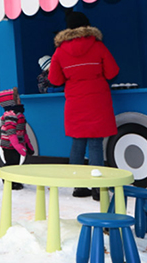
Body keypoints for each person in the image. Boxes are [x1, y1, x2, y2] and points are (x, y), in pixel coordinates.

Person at [48, 11, 119, 200]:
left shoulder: (60, 50)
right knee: (96, 143)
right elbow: (112, 72)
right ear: (87, 27)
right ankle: (98, 188)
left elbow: (54, 79)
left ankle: (78, 186)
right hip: (98, 100)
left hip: (75, 101)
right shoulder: (98, 46)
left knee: (78, 142)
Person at [0, 87, 33, 190]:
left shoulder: (19, 114)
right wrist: (18, 146)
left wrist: (28, 145)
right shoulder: (10, 115)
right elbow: (11, 133)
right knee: (11, 163)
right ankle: (8, 180)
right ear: (11, 102)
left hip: (17, 144)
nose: (20, 99)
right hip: (9, 145)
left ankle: (14, 180)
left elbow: (23, 132)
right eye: (17, 98)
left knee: (16, 163)